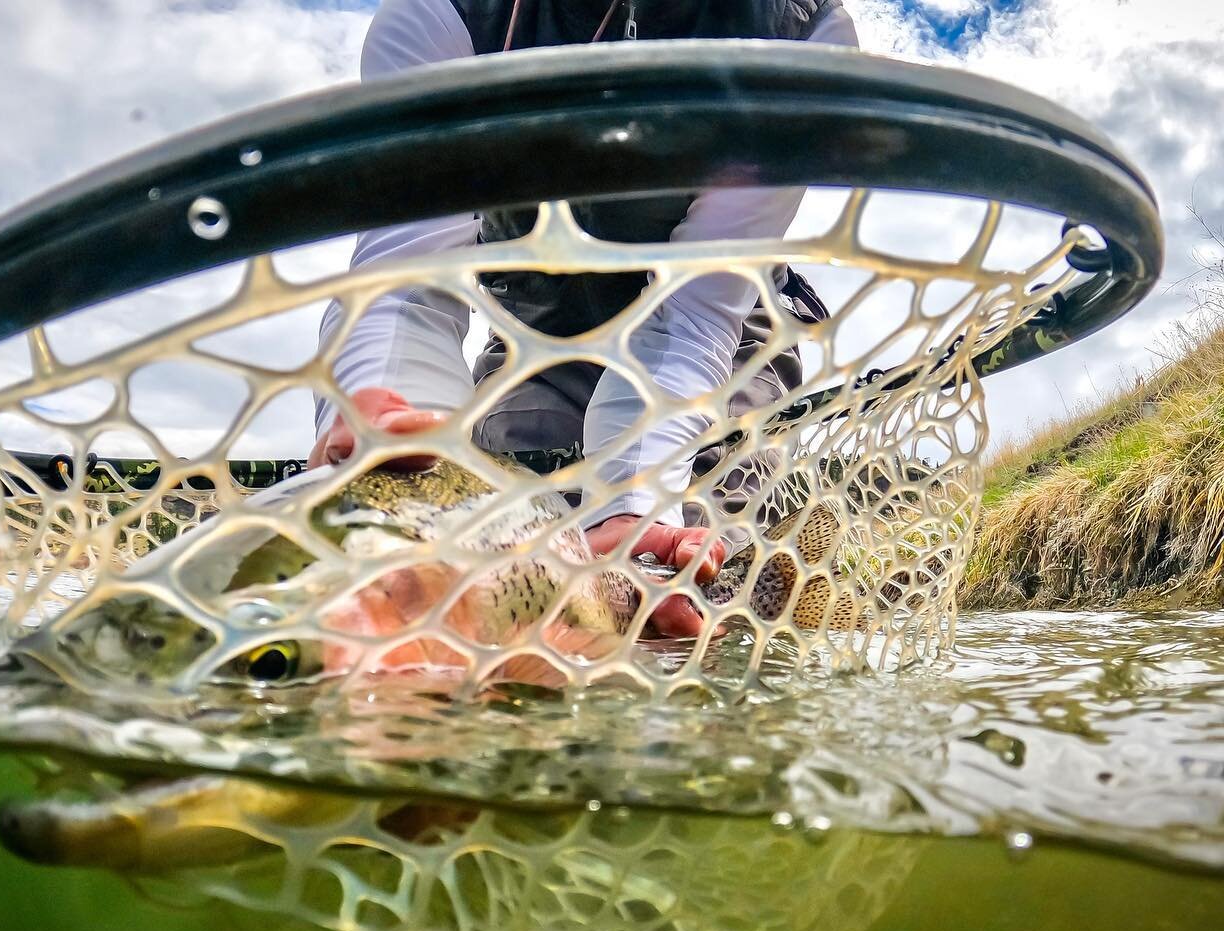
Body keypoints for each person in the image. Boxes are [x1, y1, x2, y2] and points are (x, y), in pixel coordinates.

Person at [310, 0, 858, 636]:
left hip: (722, 329)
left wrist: (630, 508)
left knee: (703, 553)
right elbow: (408, 279)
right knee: (492, 556)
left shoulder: (800, 33)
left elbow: (697, 315)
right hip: (533, 332)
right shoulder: (440, 16)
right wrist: (391, 425)